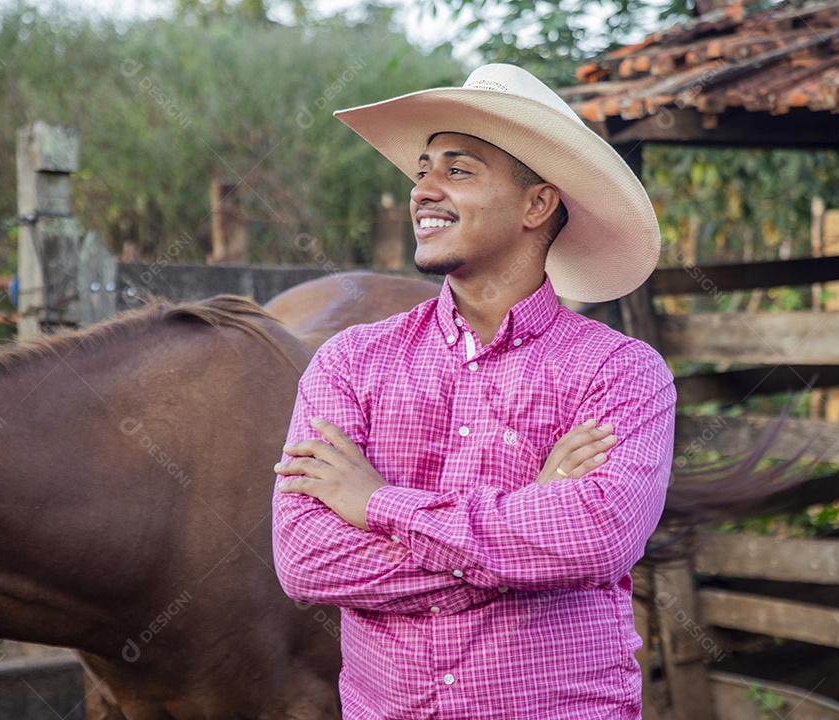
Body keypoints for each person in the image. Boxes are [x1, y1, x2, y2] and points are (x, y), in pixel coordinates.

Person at [272, 63, 675, 719]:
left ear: (537, 204)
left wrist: (379, 504)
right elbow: (307, 562)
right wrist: (525, 531)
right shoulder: (348, 363)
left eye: (456, 171)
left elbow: (593, 539)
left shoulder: (620, 372)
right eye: (423, 169)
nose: (422, 189)